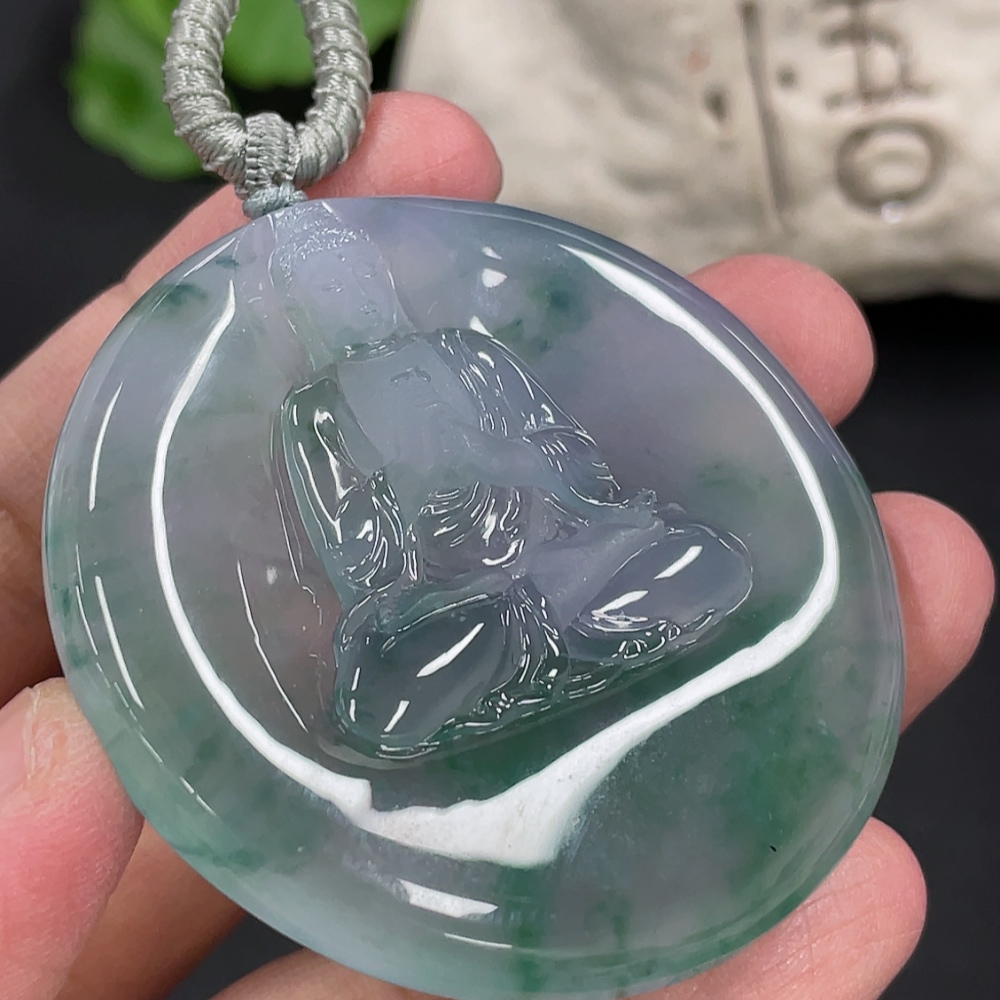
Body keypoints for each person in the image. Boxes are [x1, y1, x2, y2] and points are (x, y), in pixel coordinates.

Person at [0, 93, 992, 1000]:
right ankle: (546, 638)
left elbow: (573, 462)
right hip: (449, 602)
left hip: (564, 554)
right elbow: (357, 556)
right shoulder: (315, 414)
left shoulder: (470, 354)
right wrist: (429, 549)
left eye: (353, 283)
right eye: (321, 295)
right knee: (387, 692)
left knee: (698, 562)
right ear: (300, 313)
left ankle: (552, 628)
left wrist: (534, 498)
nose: (347, 304)